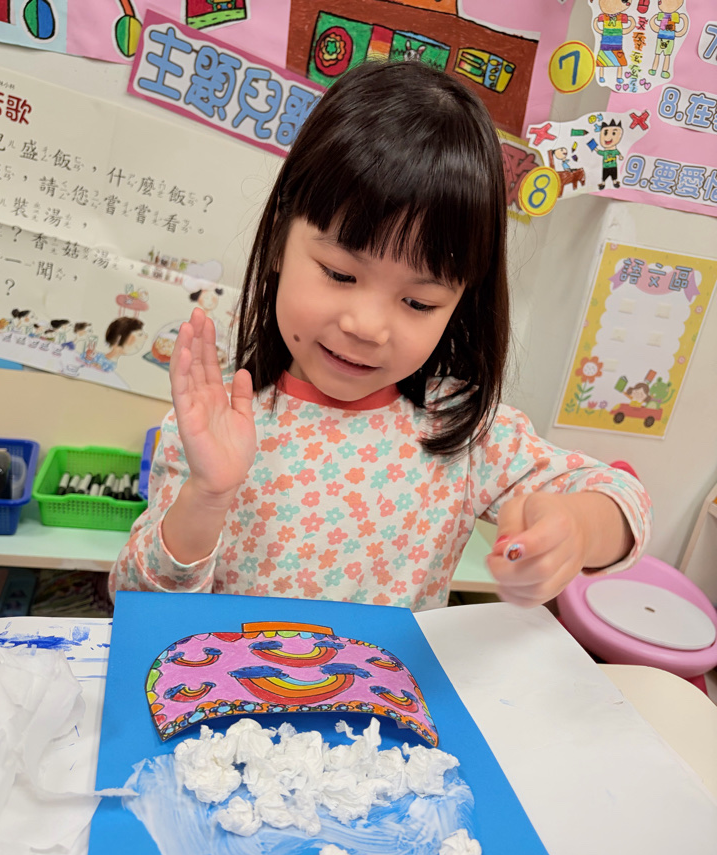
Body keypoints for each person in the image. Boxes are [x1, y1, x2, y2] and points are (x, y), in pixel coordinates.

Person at [110, 61, 650, 611]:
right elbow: (135, 605)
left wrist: (576, 528)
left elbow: (624, 500)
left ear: (459, 305)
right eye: (340, 274)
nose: (366, 327)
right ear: (277, 242)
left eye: (418, 303)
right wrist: (207, 496)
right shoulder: (214, 421)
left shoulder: (463, 430)